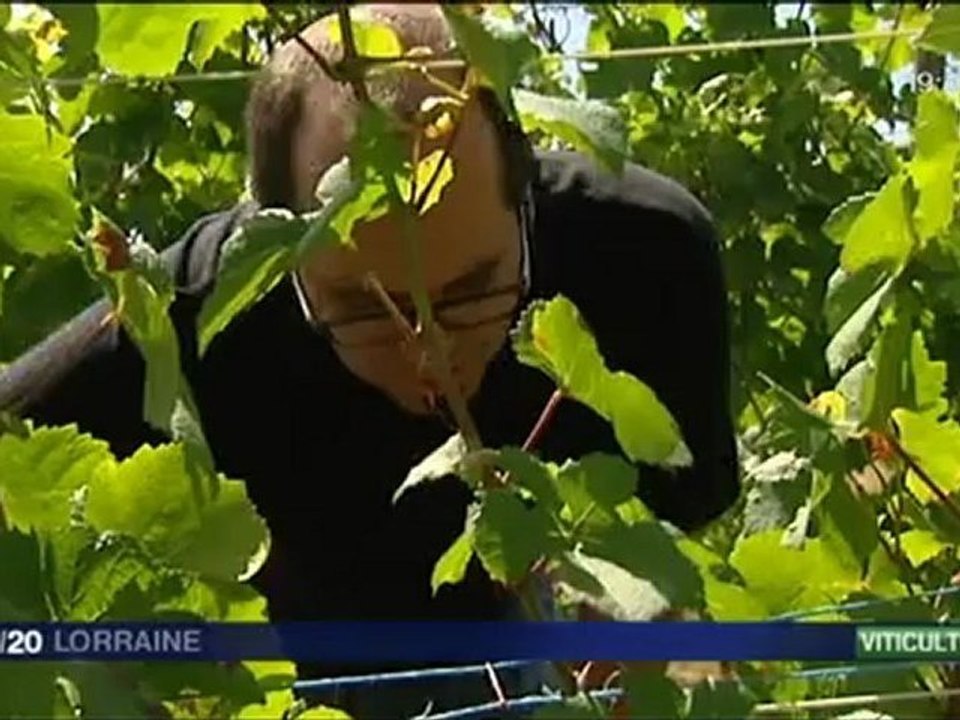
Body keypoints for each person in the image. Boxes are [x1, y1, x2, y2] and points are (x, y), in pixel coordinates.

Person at [1, 4, 739, 716]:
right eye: (366, 308)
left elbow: (668, 556)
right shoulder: (186, 319)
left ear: (526, 201)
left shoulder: (648, 255)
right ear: (277, 241)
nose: (432, 356)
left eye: (473, 293)